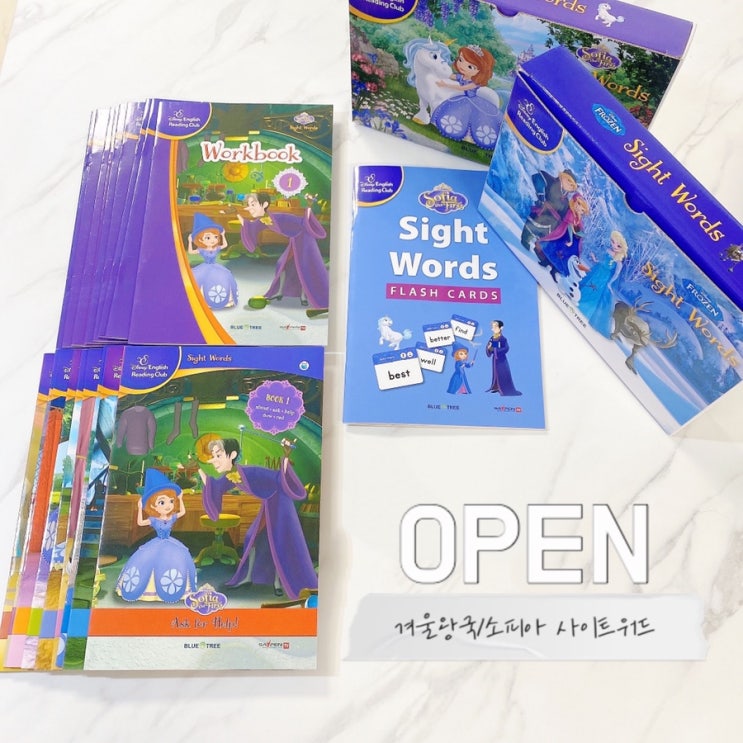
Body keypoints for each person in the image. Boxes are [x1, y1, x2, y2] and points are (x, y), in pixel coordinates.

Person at [198, 437, 317, 600]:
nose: (213, 461)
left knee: (278, 542)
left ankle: (277, 582)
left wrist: (286, 457)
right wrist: (198, 469)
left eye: (218, 455)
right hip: (268, 505)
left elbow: (279, 477)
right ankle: (248, 577)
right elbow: (214, 486)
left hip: (280, 504)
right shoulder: (231, 475)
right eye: (213, 456)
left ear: (232, 455)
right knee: (251, 538)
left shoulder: (251, 471)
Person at [116, 469, 197, 603]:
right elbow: (140, 522)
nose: (168, 506)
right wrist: (140, 508)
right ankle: (149, 591)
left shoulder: (171, 517)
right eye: (162, 502)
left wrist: (180, 498)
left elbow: (182, 512)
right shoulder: (154, 519)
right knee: (148, 562)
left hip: (171, 544)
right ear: (153, 506)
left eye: (171, 501)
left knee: (177, 560)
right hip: (156, 544)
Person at [238, 192, 329, 310]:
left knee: (303, 267)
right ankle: (281, 291)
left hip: (304, 240)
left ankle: (303, 296)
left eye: (253, 204)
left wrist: (309, 205)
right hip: (295, 241)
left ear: (264, 204)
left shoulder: (278, 217)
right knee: (282, 264)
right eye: (248, 205)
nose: (249, 208)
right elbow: (251, 226)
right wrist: (239, 216)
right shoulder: (265, 219)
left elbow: (304, 221)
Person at [431, 44, 502, 149]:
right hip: (462, 98)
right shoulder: (462, 76)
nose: (462, 66)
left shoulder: (474, 82)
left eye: (470, 67)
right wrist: (439, 70)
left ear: (481, 71)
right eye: (460, 60)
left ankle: (469, 136)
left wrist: (446, 85)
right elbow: (450, 75)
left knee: (473, 117)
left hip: (473, 101)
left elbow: (462, 88)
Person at [578, 230, 629, 336]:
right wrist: (594, 258)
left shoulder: (618, 262)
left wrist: (610, 283)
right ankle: (579, 299)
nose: (614, 246)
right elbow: (601, 261)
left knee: (597, 294)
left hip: (604, 278)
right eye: (613, 242)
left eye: (618, 245)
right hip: (597, 271)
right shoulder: (607, 251)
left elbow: (616, 275)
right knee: (587, 286)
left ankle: (587, 310)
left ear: (622, 248)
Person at [534, 193, 590, 281]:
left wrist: (578, 233)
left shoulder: (578, 218)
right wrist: (571, 240)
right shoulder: (571, 213)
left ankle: (554, 270)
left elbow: (581, 231)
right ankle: (546, 262)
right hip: (562, 235)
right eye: (578, 204)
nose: (579, 209)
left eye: (582, 210)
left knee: (563, 256)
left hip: (568, 239)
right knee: (553, 249)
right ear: (574, 202)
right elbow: (570, 227)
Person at [188, 212, 238, 309]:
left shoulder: (216, 248)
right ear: (200, 240)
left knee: (224, 277)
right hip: (204, 268)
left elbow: (225, 245)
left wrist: (223, 235)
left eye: (215, 237)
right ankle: (202, 302)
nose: (213, 240)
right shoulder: (201, 249)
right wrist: (190, 241)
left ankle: (224, 300)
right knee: (199, 279)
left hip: (216, 267)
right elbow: (191, 252)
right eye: (208, 237)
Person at [485, 320, 522, 395]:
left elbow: (506, 348)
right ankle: (496, 386)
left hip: (501, 359)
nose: (493, 328)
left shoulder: (503, 338)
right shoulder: (492, 338)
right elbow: (491, 347)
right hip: (495, 359)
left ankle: (504, 388)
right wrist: (489, 348)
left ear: (501, 328)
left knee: (502, 372)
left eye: (495, 327)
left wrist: (495, 350)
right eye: (492, 327)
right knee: (496, 372)